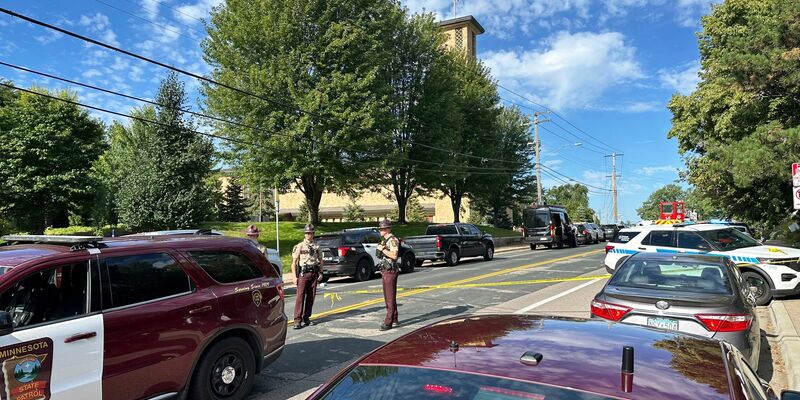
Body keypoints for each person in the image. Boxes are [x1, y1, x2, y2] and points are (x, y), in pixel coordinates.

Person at [291, 224, 323, 329]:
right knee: (300, 296)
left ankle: (307, 318)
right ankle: (297, 320)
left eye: (310, 233)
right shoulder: (299, 246)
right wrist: (294, 276)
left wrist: (321, 273)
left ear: (313, 234)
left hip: (313, 274)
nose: (308, 235)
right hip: (303, 274)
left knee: (311, 297)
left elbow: (320, 260)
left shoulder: (317, 246)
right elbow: (294, 262)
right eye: (306, 233)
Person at [376, 219, 400, 331]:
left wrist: (383, 250)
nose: (380, 231)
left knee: (389, 298)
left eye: (382, 229)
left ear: (387, 229)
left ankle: (388, 322)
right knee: (388, 297)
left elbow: (394, 255)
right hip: (386, 270)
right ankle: (394, 318)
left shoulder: (393, 240)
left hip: (390, 271)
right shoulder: (385, 241)